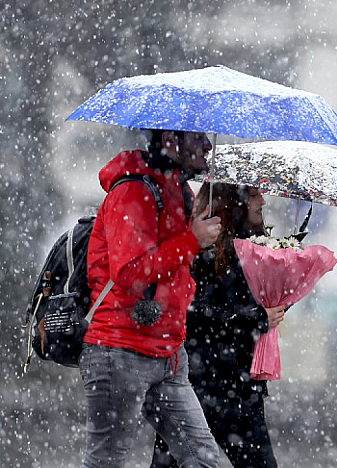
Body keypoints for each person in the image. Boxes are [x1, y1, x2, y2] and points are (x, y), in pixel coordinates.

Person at [82, 129, 222, 468]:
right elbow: (129, 272)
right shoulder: (132, 190)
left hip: (169, 353)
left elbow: (176, 266)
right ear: (170, 139)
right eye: (196, 136)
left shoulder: (178, 190)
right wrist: (191, 241)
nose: (207, 144)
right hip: (120, 350)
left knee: (203, 460)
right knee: (107, 462)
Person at [150, 182, 287, 468]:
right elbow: (194, 314)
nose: (262, 201)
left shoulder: (257, 249)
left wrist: (280, 300)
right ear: (232, 202)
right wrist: (255, 318)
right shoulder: (200, 250)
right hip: (197, 383)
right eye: (252, 195)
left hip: (239, 387)